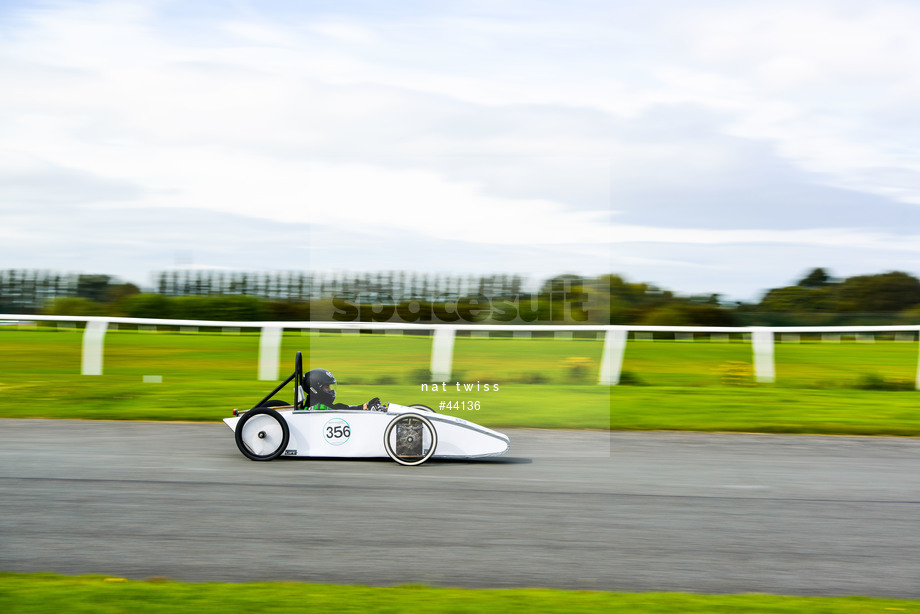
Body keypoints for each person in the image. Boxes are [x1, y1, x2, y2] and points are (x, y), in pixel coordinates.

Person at [304, 368, 383, 411]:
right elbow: (339, 410)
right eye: (327, 387)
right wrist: (365, 407)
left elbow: (338, 408)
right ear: (315, 389)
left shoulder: (314, 404)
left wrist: (364, 407)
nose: (330, 390)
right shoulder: (318, 407)